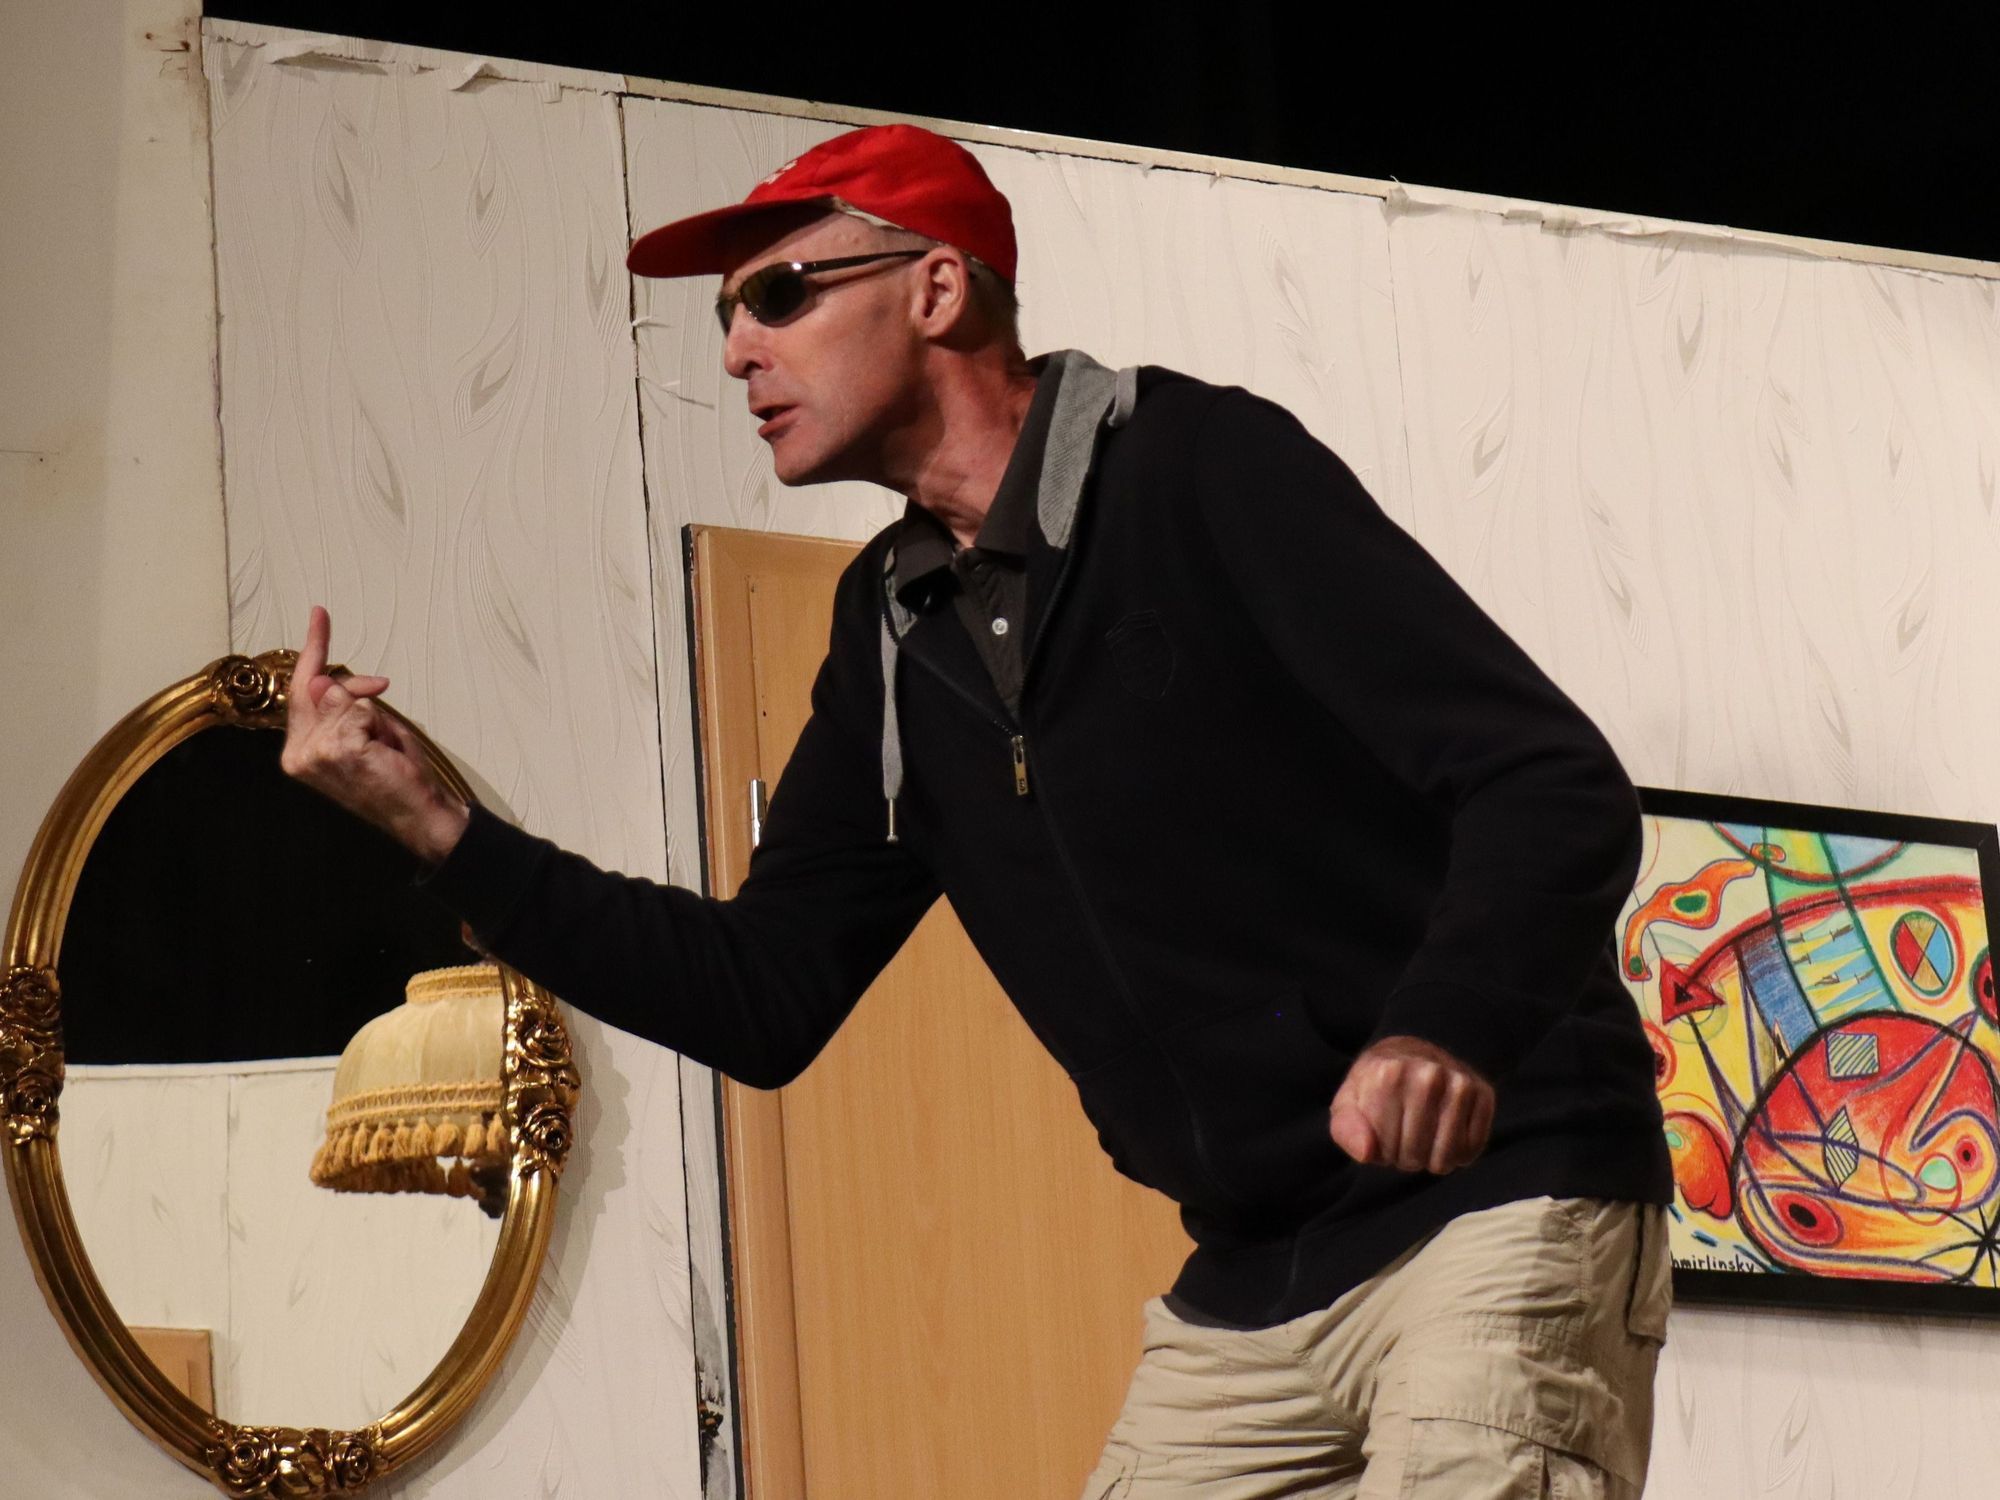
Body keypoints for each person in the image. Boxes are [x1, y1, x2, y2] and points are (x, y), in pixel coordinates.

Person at [283, 123, 1674, 1498]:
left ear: (938, 289)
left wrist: (1448, 1024)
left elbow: (1547, 779)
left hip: (1496, 1195)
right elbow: (762, 995)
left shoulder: (1196, 468)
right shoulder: (893, 628)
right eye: (726, 318)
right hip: (1254, 1271)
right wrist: (439, 826)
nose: (738, 350)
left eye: (780, 295)